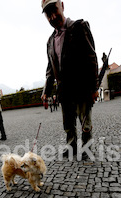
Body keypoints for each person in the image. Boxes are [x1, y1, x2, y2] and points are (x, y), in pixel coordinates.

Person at [41, 0, 98, 159]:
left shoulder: (79, 26)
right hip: (63, 90)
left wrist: (94, 88)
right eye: (48, 14)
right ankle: (71, 145)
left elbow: (91, 57)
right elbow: (50, 69)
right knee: (68, 122)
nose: (52, 16)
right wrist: (46, 91)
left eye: (54, 10)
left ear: (62, 6)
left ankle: (87, 148)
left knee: (84, 120)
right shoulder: (50, 41)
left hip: (82, 86)